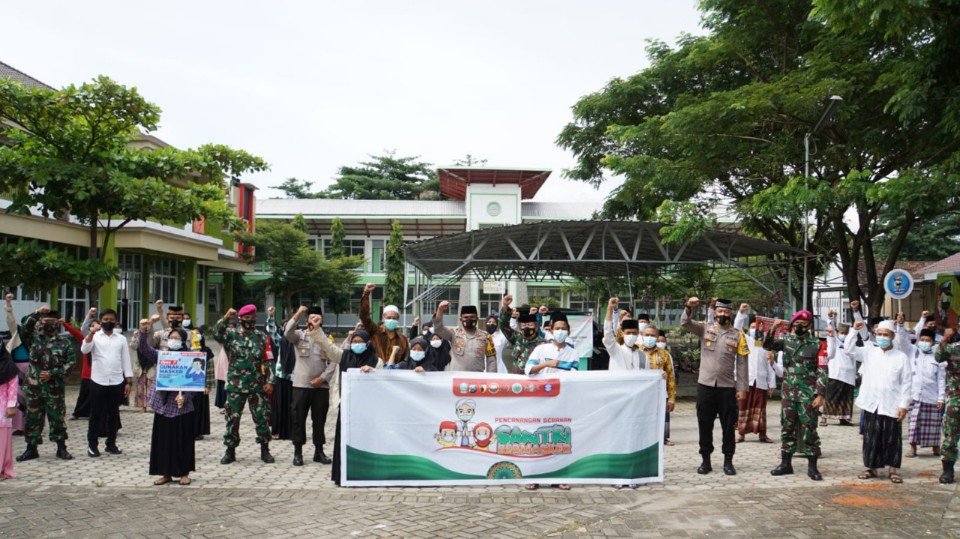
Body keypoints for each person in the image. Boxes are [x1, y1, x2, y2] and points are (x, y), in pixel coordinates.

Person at [680, 297, 749, 476]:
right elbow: (685, 323)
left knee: (728, 426)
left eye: (726, 312)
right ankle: (706, 460)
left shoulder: (738, 335)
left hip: (727, 388)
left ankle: (728, 461)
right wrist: (689, 307)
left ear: (731, 314)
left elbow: (742, 363)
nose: (723, 314)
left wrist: (742, 388)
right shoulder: (705, 329)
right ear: (715, 313)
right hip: (706, 386)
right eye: (720, 311)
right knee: (704, 424)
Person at [310, 326, 382, 486]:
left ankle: (366, 474)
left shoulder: (376, 361)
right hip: (347, 409)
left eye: (361, 342)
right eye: (354, 341)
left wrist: (372, 371)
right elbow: (327, 346)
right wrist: (316, 330)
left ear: (368, 343)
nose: (357, 344)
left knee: (365, 441)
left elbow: (383, 381)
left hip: (367, 410)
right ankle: (343, 476)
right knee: (345, 440)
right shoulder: (343, 356)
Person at [763, 310, 828, 481]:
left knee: (810, 429)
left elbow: (822, 370)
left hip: (808, 394)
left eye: (803, 324)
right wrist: (773, 328)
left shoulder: (818, 344)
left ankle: (812, 467)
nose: (800, 327)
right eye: (797, 324)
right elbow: (767, 345)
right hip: (788, 393)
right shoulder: (786, 341)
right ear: (792, 325)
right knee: (787, 427)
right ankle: (786, 464)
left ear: (809, 326)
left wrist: (820, 394)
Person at [845, 319, 912, 484]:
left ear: (892, 336)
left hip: (891, 404)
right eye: (879, 334)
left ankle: (893, 469)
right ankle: (871, 468)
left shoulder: (901, 357)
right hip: (871, 403)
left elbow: (907, 383)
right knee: (870, 437)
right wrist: (853, 331)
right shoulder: (869, 352)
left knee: (892, 438)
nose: (882, 337)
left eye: (885, 335)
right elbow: (848, 350)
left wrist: (904, 405)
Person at [524, 311, 579, 491]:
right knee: (537, 437)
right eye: (557, 328)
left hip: (563, 401)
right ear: (551, 330)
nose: (560, 331)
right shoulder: (541, 349)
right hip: (540, 400)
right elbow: (529, 369)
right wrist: (547, 364)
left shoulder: (573, 353)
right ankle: (533, 476)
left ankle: (560, 476)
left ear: (568, 331)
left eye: (563, 329)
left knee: (560, 437)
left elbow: (574, 376)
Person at [215, 305, 276, 465]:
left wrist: (270, 380)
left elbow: (268, 360)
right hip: (236, 385)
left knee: (262, 418)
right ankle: (230, 451)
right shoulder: (231, 335)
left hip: (257, 386)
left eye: (252, 317)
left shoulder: (262, 337)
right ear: (240, 319)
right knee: (232, 419)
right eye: (246, 317)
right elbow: (216, 333)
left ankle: (265, 449)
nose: (250, 320)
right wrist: (226, 316)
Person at [139, 327, 197, 485]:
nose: (174, 340)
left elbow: (196, 381)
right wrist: (144, 332)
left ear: (183, 340)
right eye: (172, 337)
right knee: (163, 440)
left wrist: (185, 397)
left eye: (178, 338)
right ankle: (166, 473)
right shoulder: (162, 355)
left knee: (183, 440)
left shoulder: (191, 357)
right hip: (163, 405)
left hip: (182, 405)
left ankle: (184, 473)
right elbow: (144, 348)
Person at [17, 306, 75, 461]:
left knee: (57, 419)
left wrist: (53, 373)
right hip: (34, 389)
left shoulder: (64, 343)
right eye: (45, 320)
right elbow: (25, 327)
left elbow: (70, 364)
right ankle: (31, 449)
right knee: (32, 419)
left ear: (58, 323)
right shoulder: (33, 340)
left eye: (52, 320)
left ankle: (61, 448)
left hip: (54, 389)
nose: (48, 323)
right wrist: (37, 313)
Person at [285, 305, 336, 466]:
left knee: (319, 419)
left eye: (318, 317)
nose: (314, 319)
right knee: (298, 419)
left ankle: (319, 451)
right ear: (307, 320)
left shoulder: (326, 339)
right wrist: (299, 312)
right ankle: (298, 452)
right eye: (311, 316)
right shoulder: (299, 335)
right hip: (301, 385)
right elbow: (287, 332)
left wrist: (323, 378)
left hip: (320, 387)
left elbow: (334, 360)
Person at [80, 309, 133, 457]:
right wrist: (91, 333)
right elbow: (84, 350)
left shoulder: (121, 339)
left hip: (117, 381)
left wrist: (128, 380)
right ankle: (92, 445)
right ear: (100, 321)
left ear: (115, 321)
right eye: (105, 319)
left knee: (114, 414)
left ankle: (111, 444)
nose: (108, 321)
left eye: (111, 319)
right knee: (96, 414)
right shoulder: (95, 336)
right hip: (98, 380)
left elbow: (125, 359)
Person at [734, 305, 781, 443]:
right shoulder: (745, 340)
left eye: (758, 327)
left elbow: (770, 365)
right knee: (743, 407)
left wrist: (772, 383)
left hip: (761, 382)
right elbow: (737, 328)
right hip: (746, 381)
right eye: (753, 327)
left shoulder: (765, 345)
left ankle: (762, 434)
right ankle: (741, 434)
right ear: (749, 329)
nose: (756, 329)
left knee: (760, 409)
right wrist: (741, 312)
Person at [906, 328, 945, 458]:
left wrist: (941, 398)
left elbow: (941, 379)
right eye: (922, 340)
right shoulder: (913, 352)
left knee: (933, 424)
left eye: (927, 340)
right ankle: (912, 448)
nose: (924, 342)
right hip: (915, 395)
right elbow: (902, 339)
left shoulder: (938, 357)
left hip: (931, 396)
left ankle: (936, 448)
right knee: (913, 423)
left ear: (933, 342)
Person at [433, 301, 497, 372]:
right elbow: (438, 329)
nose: (469, 319)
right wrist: (440, 310)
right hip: (457, 377)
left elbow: (491, 360)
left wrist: (491, 378)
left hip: (476, 378)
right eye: (466, 317)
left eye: (472, 317)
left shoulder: (486, 336)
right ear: (460, 319)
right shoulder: (453, 333)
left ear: (477, 319)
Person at [359, 283, 410, 363]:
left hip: (394, 373)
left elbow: (405, 361)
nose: (391, 320)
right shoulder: (375, 330)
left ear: (398, 320)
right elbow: (364, 316)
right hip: (374, 371)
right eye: (388, 318)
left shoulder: (402, 339)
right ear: (383, 318)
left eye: (394, 318)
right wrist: (366, 293)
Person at [265, 307, 293, 441]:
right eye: (285, 326)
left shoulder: (299, 339)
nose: (288, 328)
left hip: (295, 377)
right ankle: (276, 431)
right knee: (278, 405)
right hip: (281, 376)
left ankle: (291, 432)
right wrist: (271, 316)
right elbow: (271, 331)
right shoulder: (280, 340)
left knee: (293, 406)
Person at [824, 318, 857, 427]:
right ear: (838, 333)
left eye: (846, 333)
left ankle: (844, 419)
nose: (844, 335)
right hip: (836, 374)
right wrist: (830, 319)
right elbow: (831, 333)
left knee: (846, 398)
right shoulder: (834, 340)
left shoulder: (851, 344)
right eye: (842, 333)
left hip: (849, 375)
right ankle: (824, 418)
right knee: (831, 396)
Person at [937, 327, 960, 483]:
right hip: (955, 397)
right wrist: (945, 339)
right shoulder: (953, 348)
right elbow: (938, 357)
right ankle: (948, 470)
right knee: (950, 433)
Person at [498, 295, 543, 374]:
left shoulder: (543, 343)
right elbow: (503, 325)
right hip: (517, 378)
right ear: (519, 327)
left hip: (535, 379)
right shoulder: (516, 338)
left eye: (529, 325)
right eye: (524, 325)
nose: (526, 328)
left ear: (536, 327)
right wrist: (506, 307)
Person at [603, 297, 644, 371]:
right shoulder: (615, 349)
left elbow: (647, 375)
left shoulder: (642, 355)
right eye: (628, 333)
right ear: (622, 333)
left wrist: (660, 375)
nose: (631, 335)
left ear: (638, 334)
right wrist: (609, 309)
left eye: (634, 333)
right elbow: (608, 333)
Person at [1, 343, 19, 479]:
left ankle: (3, 469)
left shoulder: (9, 366)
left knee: (2, 441)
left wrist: (11, 405)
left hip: (3, 407)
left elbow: (13, 387)